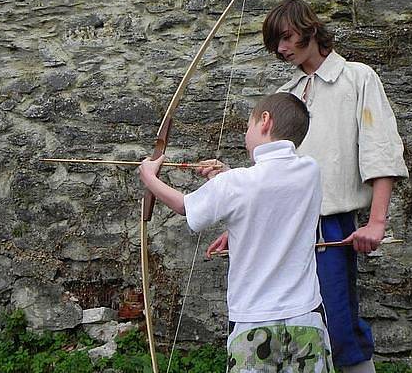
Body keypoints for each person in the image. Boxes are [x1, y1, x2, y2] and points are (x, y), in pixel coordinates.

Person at [203, 0, 409, 373]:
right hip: (283, 229)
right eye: (275, 43)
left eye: (286, 37)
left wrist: (376, 222)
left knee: (340, 328)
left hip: (331, 226)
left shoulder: (357, 78)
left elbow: (381, 152)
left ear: (309, 29)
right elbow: (272, 178)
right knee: (293, 332)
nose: (282, 49)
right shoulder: (288, 94)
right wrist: (243, 230)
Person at [139, 92, 334, 372]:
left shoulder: (235, 184)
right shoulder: (310, 171)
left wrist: (150, 177)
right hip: (306, 318)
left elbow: (186, 206)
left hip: (253, 323)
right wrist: (227, 174)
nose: (245, 135)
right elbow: (269, 195)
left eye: (248, 125)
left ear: (265, 121)